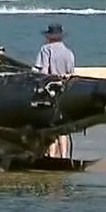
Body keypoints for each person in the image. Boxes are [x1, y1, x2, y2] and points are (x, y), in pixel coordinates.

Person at [35, 23, 76, 159]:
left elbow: (43, 72)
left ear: (49, 37)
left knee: (50, 126)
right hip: (64, 91)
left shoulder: (46, 49)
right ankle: (63, 157)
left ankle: (51, 156)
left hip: (50, 91)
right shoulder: (69, 53)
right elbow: (71, 73)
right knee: (62, 128)